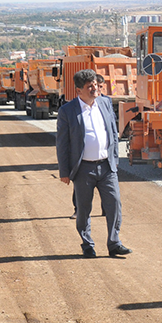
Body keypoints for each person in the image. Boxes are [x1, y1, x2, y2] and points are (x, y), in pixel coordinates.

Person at [56, 69, 132, 258]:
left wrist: (114, 160)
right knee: (83, 208)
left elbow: (113, 132)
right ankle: (87, 244)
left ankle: (114, 243)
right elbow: (62, 143)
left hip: (107, 167)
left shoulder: (105, 103)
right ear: (78, 90)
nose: (94, 89)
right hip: (83, 169)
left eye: (96, 85)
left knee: (114, 204)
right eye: (89, 87)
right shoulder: (67, 111)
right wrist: (64, 171)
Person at [70, 74, 110, 220]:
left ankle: (107, 210)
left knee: (108, 192)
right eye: (93, 86)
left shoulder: (105, 103)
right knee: (82, 191)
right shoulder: (75, 108)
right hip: (84, 162)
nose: (96, 89)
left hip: (104, 161)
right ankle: (78, 210)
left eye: (99, 86)